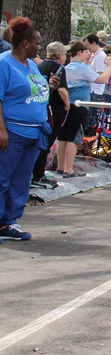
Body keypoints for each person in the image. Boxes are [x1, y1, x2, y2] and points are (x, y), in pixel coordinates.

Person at [0, 18, 57, 241]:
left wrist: (49, 87)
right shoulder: (4, 64)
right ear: (25, 44)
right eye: (37, 43)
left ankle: (8, 223)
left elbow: (33, 94)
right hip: (11, 132)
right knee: (2, 177)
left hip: (34, 133)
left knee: (21, 180)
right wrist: (2, 129)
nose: (39, 47)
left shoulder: (31, 65)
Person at [56, 41, 111, 178]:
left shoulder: (67, 67)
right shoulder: (82, 69)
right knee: (73, 138)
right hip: (79, 106)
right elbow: (101, 79)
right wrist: (109, 66)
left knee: (63, 137)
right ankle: (69, 169)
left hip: (67, 106)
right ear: (79, 52)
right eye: (85, 52)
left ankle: (60, 167)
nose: (88, 54)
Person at [31, 41, 70, 190]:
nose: (65, 57)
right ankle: (38, 175)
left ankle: (34, 172)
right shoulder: (59, 68)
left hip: (41, 108)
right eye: (64, 54)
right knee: (47, 143)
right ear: (60, 55)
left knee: (40, 142)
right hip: (55, 110)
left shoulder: (39, 66)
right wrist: (67, 105)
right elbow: (61, 89)